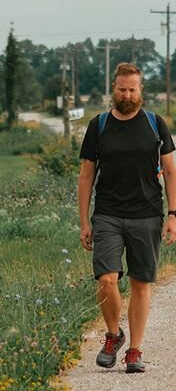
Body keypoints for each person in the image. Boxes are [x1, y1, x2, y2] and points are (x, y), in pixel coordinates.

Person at [78, 61, 176, 373]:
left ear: (141, 90)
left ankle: (134, 350)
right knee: (107, 280)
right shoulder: (99, 125)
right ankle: (113, 335)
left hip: (146, 214)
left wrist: (173, 214)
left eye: (133, 89)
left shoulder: (154, 123)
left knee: (141, 283)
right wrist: (84, 220)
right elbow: (85, 177)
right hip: (107, 213)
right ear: (114, 89)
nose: (128, 94)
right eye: (122, 89)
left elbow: (171, 171)